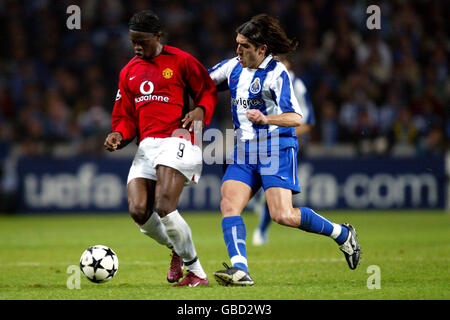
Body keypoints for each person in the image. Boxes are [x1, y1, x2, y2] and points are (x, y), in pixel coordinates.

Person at [208, 14, 360, 286]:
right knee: (229, 204)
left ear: (261, 49)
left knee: (283, 215)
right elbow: (203, 82)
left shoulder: (277, 74)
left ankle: (342, 234)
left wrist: (266, 119)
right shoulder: (233, 67)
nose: (238, 51)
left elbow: (296, 118)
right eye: (237, 44)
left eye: (244, 46)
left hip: (275, 147)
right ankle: (240, 269)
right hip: (244, 150)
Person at [104, 10, 218, 287]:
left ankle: (197, 273)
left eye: (142, 41)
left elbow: (206, 89)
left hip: (178, 138)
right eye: (133, 41)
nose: (137, 47)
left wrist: (201, 110)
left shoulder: (181, 61)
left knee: (165, 206)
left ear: (158, 36)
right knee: (139, 210)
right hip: (147, 146)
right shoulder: (128, 71)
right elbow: (125, 116)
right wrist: (119, 134)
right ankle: (177, 250)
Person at [252, 54, 316, 246]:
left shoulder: (297, 85)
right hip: (263, 141)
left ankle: (261, 231)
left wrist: (282, 130)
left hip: (284, 143)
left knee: (273, 194)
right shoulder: (266, 81)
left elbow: (309, 121)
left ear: (287, 64)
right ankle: (260, 223)